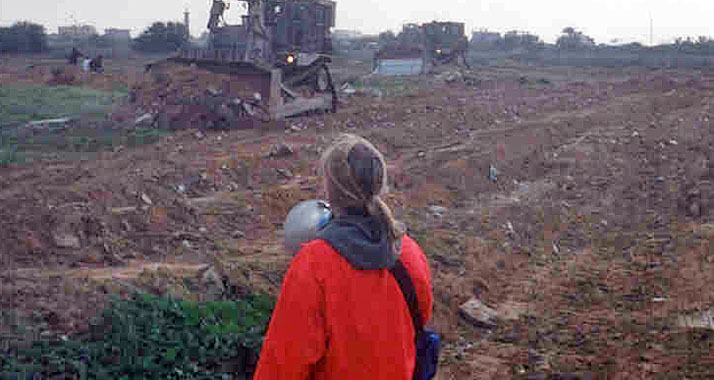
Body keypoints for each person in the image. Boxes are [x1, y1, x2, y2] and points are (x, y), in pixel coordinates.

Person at [254, 134, 433, 380]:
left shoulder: (314, 264)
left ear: (329, 189)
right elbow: (420, 319)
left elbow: (282, 364)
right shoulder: (408, 252)